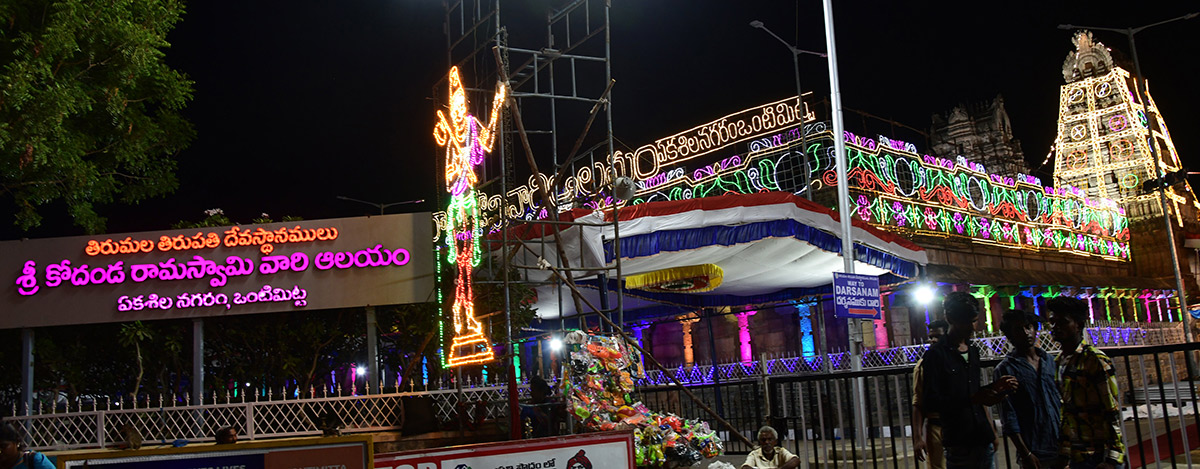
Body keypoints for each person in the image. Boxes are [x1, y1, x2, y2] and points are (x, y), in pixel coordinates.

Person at [922, 291, 1017, 469]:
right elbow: (931, 401)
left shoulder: (973, 351)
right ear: (950, 318)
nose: (973, 327)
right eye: (967, 321)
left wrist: (995, 389)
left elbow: (974, 392)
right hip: (959, 441)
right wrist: (973, 399)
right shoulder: (936, 355)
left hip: (982, 436)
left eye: (974, 320)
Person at [1046, 297, 1125, 469]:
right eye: (1052, 322)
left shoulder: (1094, 360)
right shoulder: (1059, 362)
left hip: (1097, 453)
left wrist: (1113, 458)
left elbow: (1111, 409)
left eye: (1063, 322)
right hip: (1076, 454)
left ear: (1079, 324)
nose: (1055, 327)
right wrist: (1064, 453)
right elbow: (1067, 412)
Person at [995, 310, 1061, 469]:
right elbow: (1008, 416)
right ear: (1010, 336)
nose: (1026, 333)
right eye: (1019, 329)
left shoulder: (1050, 361)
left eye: (1028, 327)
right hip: (1034, 448)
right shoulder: (1006, 369)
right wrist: (1025, 453)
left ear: (1035, 329)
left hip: (1061, 444)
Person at [913, 319, 949, 469]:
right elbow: (918, 401)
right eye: (931, 337)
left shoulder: (957, 359)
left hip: (959, 423)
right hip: (936, 424)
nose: (933, 340)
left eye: (938, 337)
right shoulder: (923, 365)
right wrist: (918, 437)